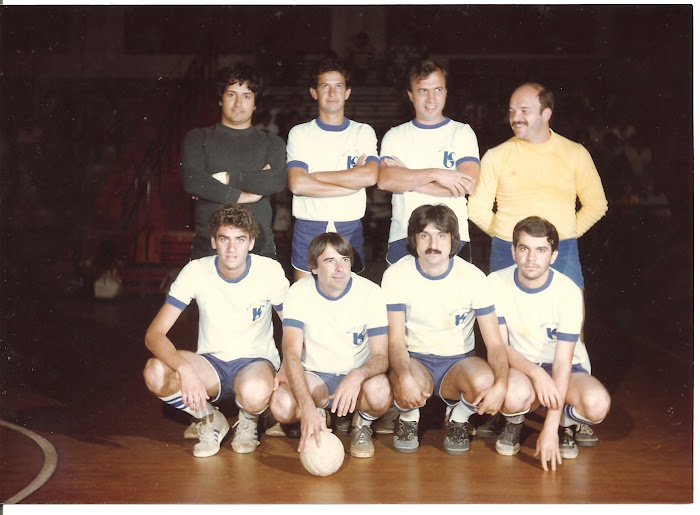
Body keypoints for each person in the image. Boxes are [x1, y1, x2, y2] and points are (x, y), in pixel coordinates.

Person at [468, 82, 608, 442]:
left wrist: (555, 240)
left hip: (562, 253)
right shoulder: (498, 155)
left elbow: (596, 204)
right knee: (502, 334)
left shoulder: (574, 153)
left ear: (547, 113)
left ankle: (565, 419)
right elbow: (477, 209)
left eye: (525, 110)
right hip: (507, 250)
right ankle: (509, 408)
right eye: (512, 110)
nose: (516, 117)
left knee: (566, 334)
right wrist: (514, 242)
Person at [143, 204, 289, 457]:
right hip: (210, 365)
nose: (232, 249)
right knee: (155, 372)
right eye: (225, 239)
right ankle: (209, 419)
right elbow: (154, 334)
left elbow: (293, 327)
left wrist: (287, 367)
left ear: (251, 242)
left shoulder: (269, 271)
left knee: (255, 394)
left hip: (255, 363)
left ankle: (249, 420)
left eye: (240, 239)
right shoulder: (196, 271)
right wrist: (184, 368)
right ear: (213, 241)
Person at [381, 204, 509, 455]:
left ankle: (458, 419)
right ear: (414, 240)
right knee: (403, 376)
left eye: (441, 235)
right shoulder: (397, 274)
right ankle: (408, 419)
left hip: (458, 364)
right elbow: (395, 342)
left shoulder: (473, 277)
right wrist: (404, 376)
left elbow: (495, 344)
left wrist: (502, 384)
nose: (433, 243)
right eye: (425, 235)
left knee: (486, 380)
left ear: (453, 241)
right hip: (415, 359)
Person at [487, 216, 610, 471]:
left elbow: (563, 362)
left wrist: (551, 428)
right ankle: (515, 420)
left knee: (598, 404)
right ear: (513, 251)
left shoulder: (569, 292)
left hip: (566, 368)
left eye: (541, 250)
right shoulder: (495, 283)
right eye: (524, 248)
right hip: (522, 367)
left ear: (553, 255)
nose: (531, 258)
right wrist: (535, 373)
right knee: (512, 395)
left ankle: (565, 422)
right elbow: (500, 347)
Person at [269, 232, 391, 459]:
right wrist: (305, 408)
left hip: (356, 381)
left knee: (381, 392)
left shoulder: (371, 292)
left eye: (345, 260)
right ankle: (318, 412)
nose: (340, 268)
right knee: (281, 405)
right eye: (330, 260)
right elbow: (292, 355)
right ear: (313, 267)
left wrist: (357, 374)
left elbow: (382, 356)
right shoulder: (298, 292)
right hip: (315, 375)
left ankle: (361, 423)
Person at [179, 63, 287, 260]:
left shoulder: (272, 142)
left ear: (255, 103)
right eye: (231, 94)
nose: (238, 103)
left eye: (246, 96)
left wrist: (223, 178)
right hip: (209, 246)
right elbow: (193, 180)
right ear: (220, 99)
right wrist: (244, 195)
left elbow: (275, 181)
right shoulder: (197, 138)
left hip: (260, 245)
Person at [377, 59, 480, 265]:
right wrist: (437, 174)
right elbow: (385, 180)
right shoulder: (395, 135)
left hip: (453, 236)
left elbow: (466, 184)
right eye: (423, 90)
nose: (431, 98)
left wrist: (408, 176)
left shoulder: (462, 133)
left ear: (446, 92)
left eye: (438, 89)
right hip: (404, 235)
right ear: (410, 95)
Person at [286, 55, 380, 282]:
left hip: (349, 226)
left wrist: (316, 177)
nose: (332, 93)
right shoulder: (300, 133)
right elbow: (297, 183)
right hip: (309, 225)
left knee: (348, 299)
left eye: (338, 86)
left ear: (347, 92)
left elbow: (370, 175)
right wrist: (349, 184)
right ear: (314, 92)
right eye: (325, 86)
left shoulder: (363, 132)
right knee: (303, 299)